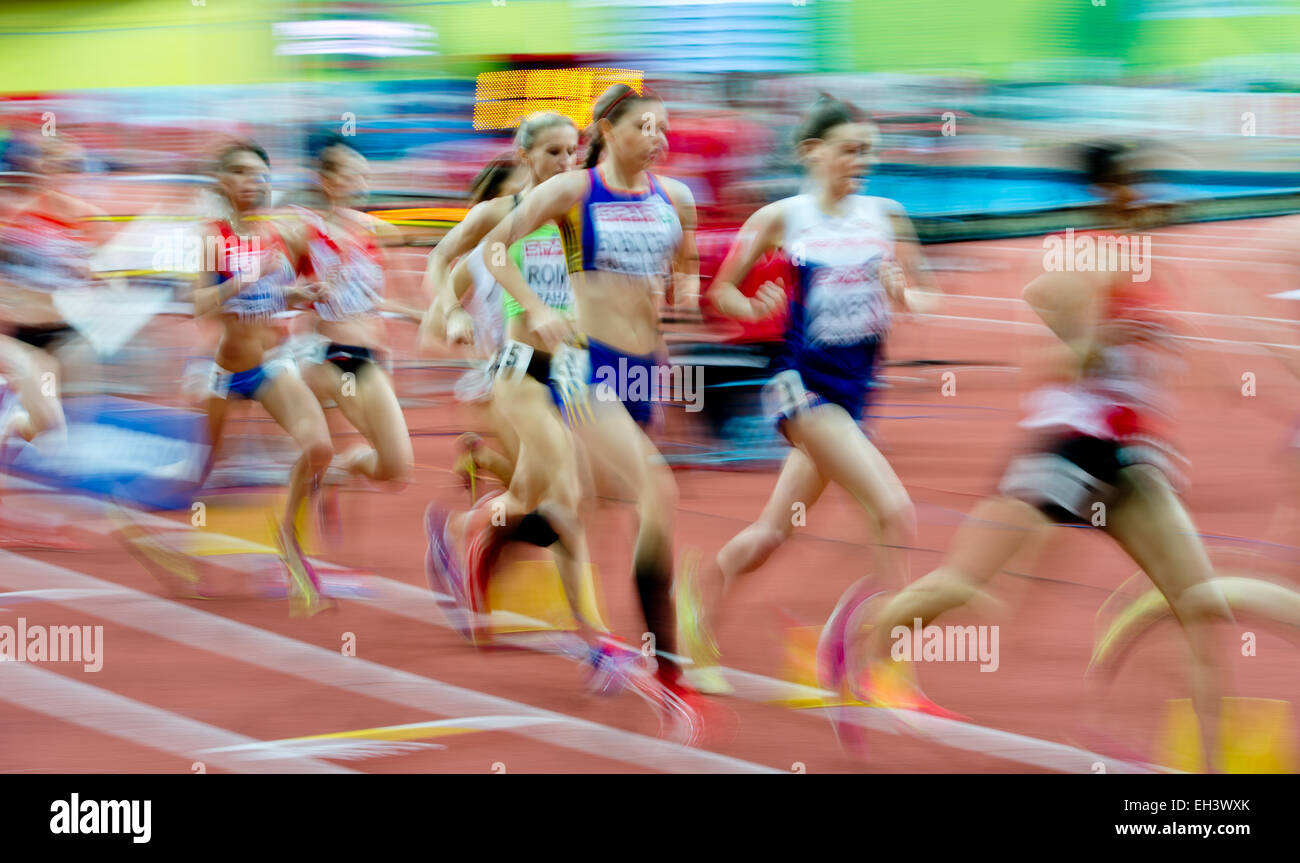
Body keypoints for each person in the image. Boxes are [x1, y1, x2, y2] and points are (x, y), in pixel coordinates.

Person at [832, 142, 1236, 767]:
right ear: (1111, 192)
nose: (1151, 196)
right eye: (1135, 184)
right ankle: (861, 641)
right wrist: (1099, 333)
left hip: (1129, 461)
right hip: (1069, 451)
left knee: (1201, 605)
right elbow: (1055, 353)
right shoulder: (1092, 257)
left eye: (1151, 185)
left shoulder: (1150, 264)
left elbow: (1164, 360)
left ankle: (1206, 778)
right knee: (967, 585)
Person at [471, 84, 723, 742]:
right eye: (645, 126)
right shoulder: (573, 192)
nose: (660, 139)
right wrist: (540, 307)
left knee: (589, 502)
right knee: (656, 495)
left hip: (645, 372)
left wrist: (690, 289)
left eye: (666, 128)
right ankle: (669, 671)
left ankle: (497, 540)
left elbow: (684, 272)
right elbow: (497, 249)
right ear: (607, 130)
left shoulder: (678, 199)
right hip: (589, 367)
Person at [691, 95, 939, 693]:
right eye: (850, 150)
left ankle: (695, 618)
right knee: (892, 512)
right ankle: (872, 658)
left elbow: (929, 298)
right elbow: (719, 293)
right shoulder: (784, 217)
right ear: (812, 152)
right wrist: (752, 305)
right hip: (801, 390)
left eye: (869, 152)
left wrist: (903, 292)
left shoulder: (887, 216)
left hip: (853, 397)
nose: (862, 162)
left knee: (774, 534)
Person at [193, 140, 334, 615]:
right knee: (203, 471)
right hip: (227, 372)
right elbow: (202, 307)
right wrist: (244, 277)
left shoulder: (278, 233)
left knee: (319, 448)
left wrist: (303, 293)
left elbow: (278, 297)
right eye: (239, 172)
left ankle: (288, 540)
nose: (252, 181)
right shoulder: (213, 236)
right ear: (222, 182)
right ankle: (174, 539)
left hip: (272, 364)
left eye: (259, 173)